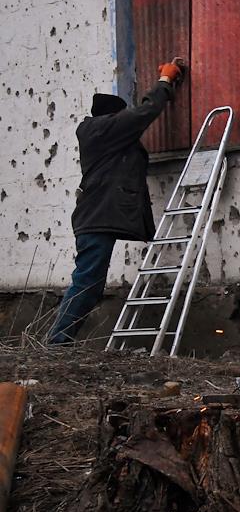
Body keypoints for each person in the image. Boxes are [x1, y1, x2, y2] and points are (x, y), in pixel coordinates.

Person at [48, 61, 186, 344]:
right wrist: (164, 81)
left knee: (89, 283)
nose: (125, 120)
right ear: (113, 116)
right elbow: (145, 112)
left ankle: (59, 341)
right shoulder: (104, 129)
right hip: (97, 218)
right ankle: (57, 342)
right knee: (87, 282)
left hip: (96, 216)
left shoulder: (102, 135)